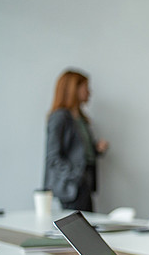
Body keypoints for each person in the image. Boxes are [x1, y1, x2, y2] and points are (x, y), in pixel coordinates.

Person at [44, 69, 109, 212]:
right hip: (71, 187)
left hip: (85, 184)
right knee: (75, 227)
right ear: (73, 89)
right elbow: (53, 157)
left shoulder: (81, 119)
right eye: (86, 88)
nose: (89, 92)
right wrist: (75, 174)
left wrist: (96, 149)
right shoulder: (60, 117)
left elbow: (81, 152)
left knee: (87, 226)